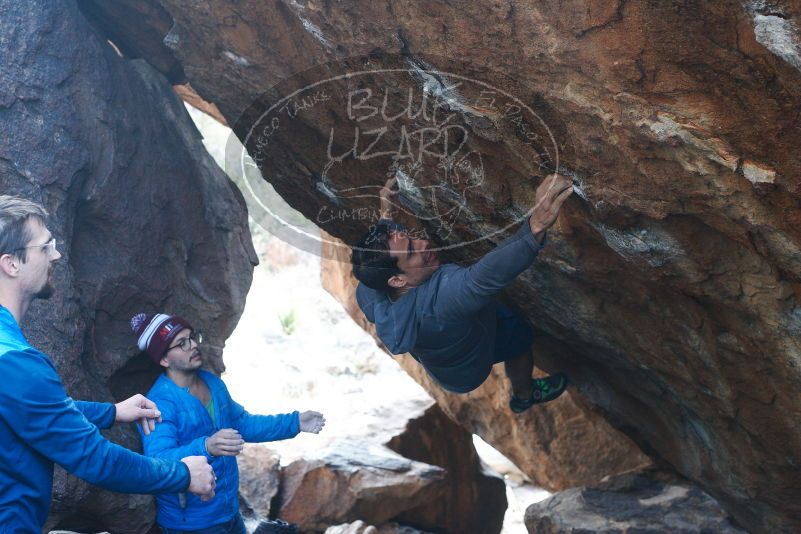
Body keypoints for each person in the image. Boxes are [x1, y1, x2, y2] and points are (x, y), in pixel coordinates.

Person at [0, 195, 216, 531]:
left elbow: (33, 409)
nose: (57, 255)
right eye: (46, 247)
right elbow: (96, 460)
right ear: (11, 264)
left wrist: (112, 412)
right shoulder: (17, 363)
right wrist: (184, 474)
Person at [351, 173, 573, 412]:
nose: (423, 243)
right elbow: (484, 276)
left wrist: (386, 213)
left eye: (412, 239)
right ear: (396, 280)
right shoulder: (442, 301)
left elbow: (387, 254)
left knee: (498, 315)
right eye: (412, 251)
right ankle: (525, 395)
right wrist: (536, 226)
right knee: (519, 335)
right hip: (470, 368)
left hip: (448, 358)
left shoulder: (369, 288)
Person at [132, 312, 326, 533]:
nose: (194, 345)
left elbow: (243, 424)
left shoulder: (212, 383)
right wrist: (206, 447)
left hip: (229, 513)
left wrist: (295, 422)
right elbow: (158, 462)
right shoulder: (159, 403)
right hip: (192, 525)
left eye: (192, 337)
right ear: (164, 359)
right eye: (182, 343)